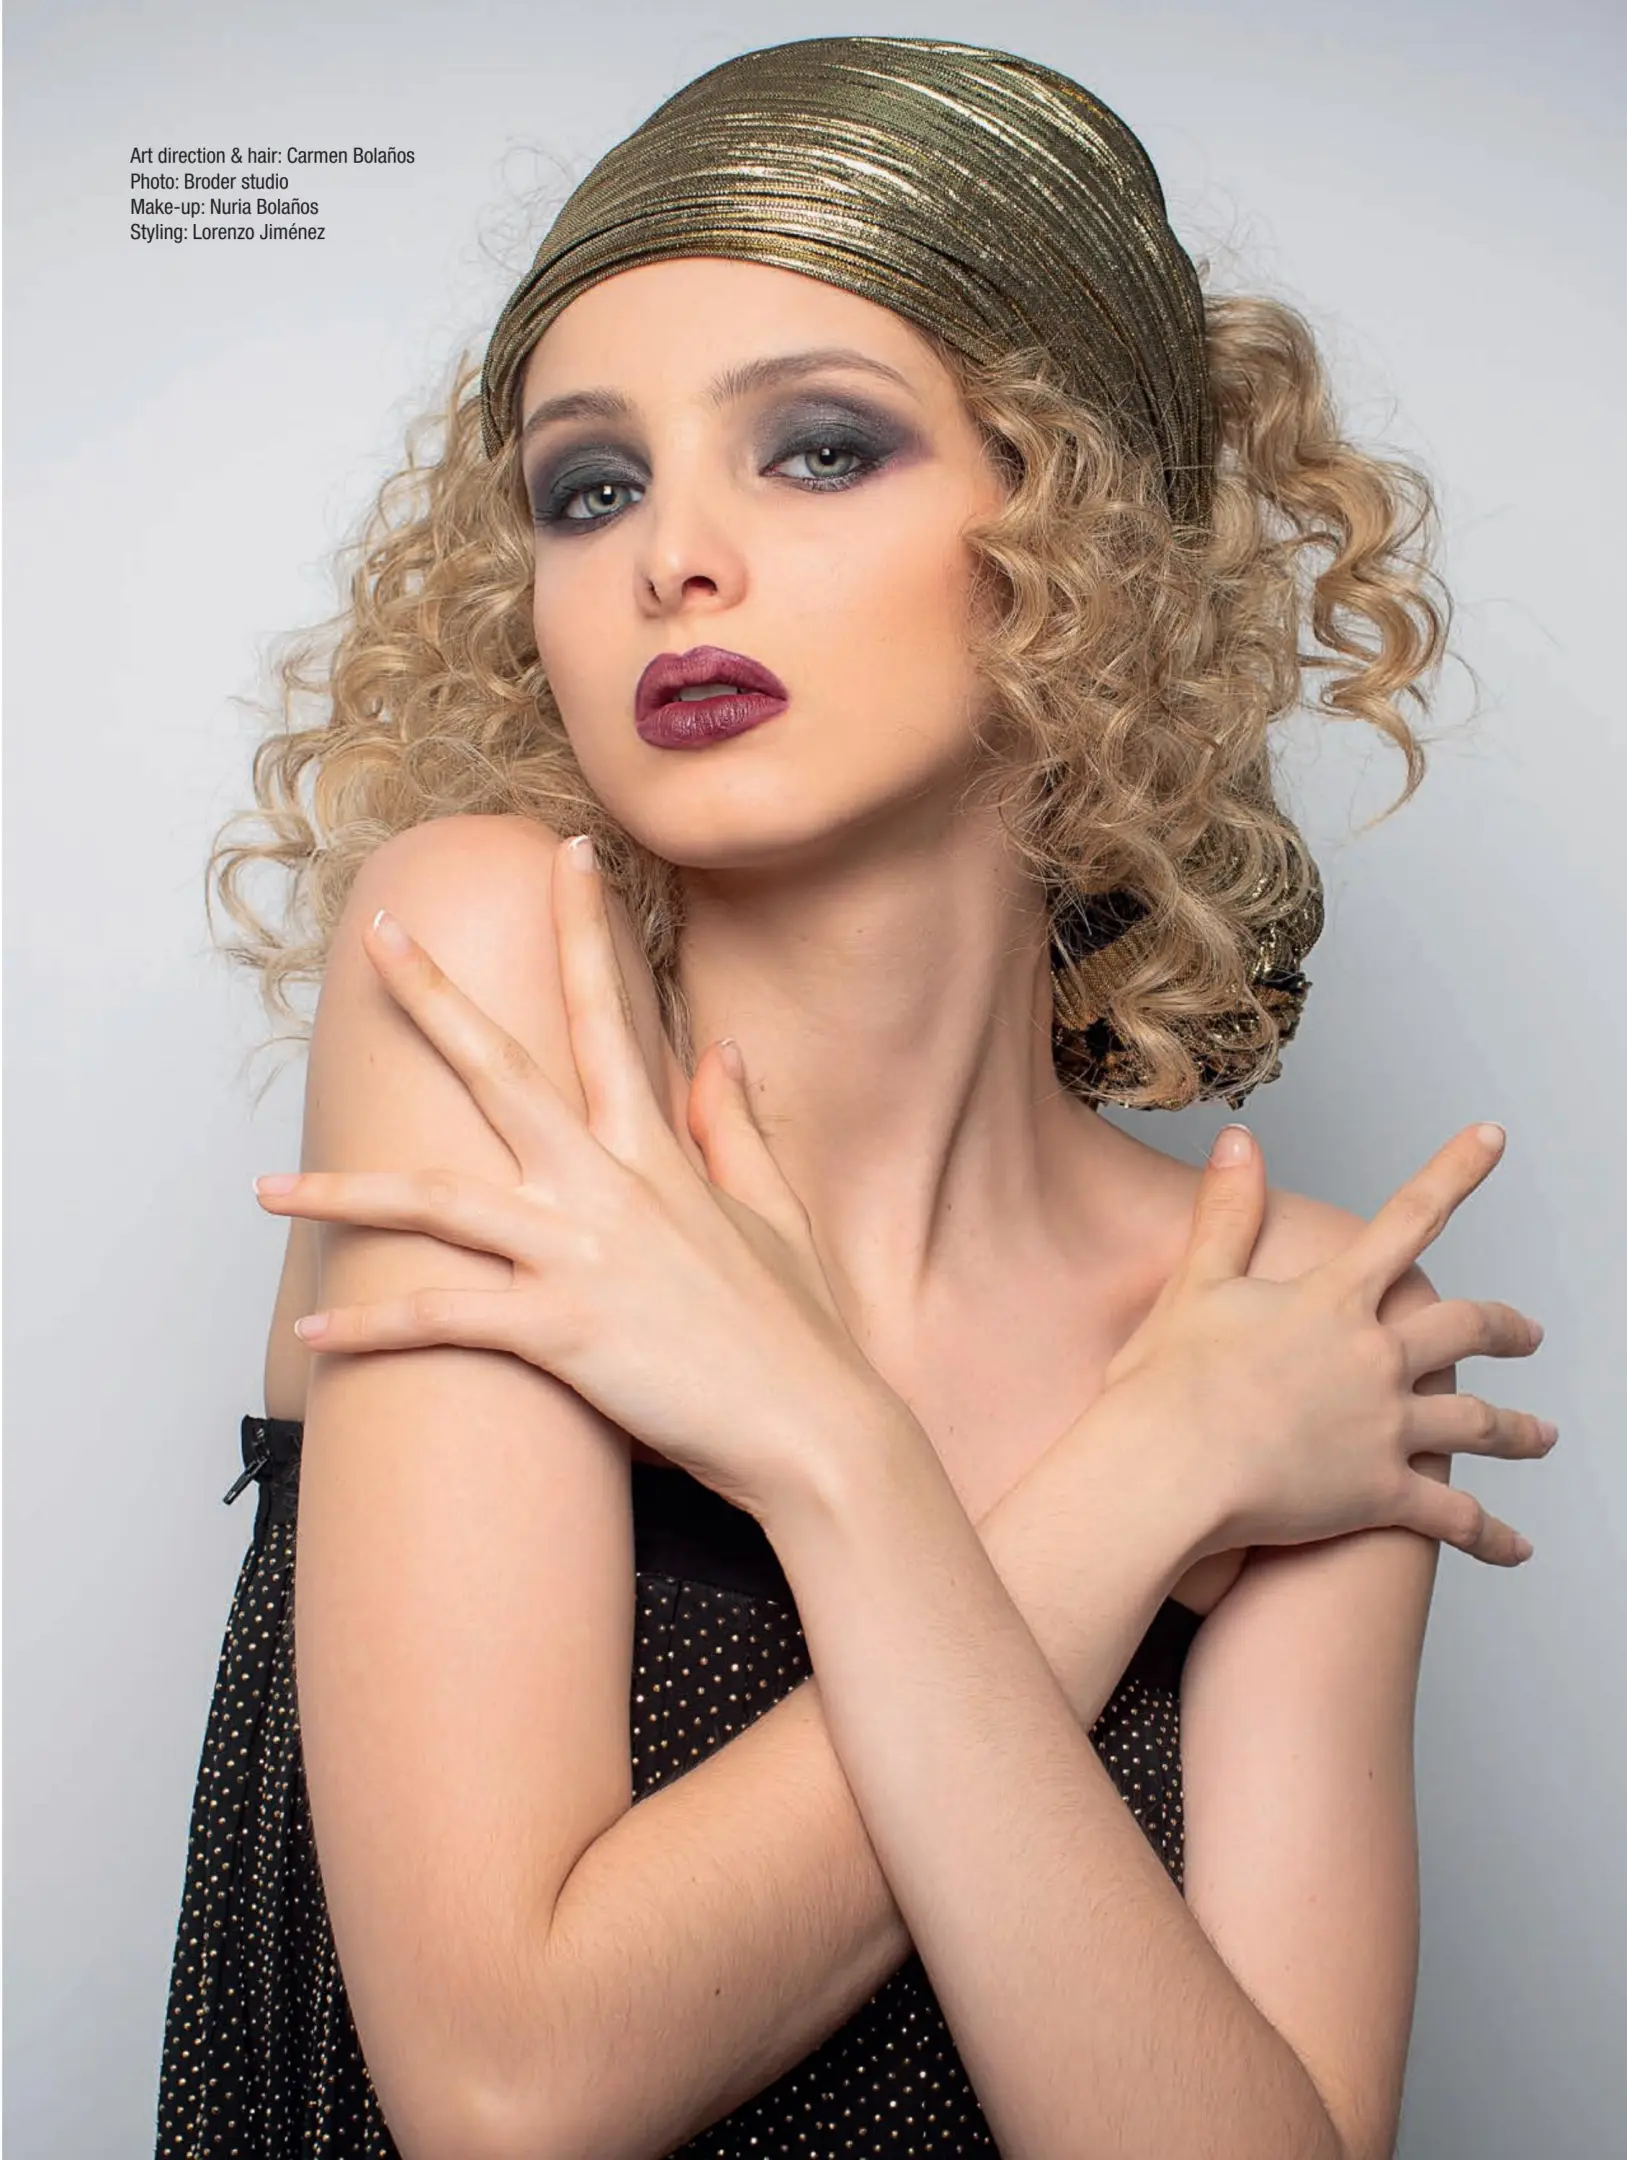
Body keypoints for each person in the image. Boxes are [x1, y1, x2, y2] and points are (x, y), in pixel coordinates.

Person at [157, 35, 1552, 2160]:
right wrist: (1130, 1485)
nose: (672, 558)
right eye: (588, 486)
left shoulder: (1287, 1326)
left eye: (820, 448)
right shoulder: (492, 981)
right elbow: (512, 2087)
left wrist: (843, 1478)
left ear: (1083, 534)